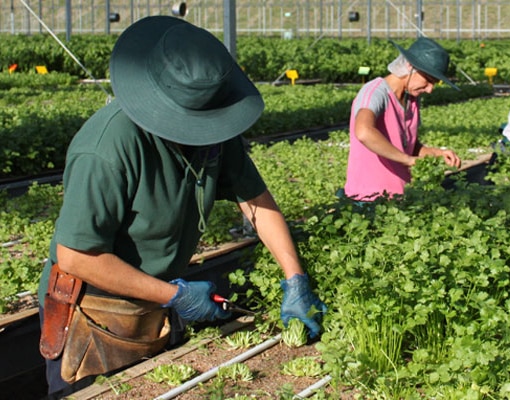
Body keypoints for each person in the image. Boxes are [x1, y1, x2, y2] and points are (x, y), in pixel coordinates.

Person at [37, 16, 326, 398]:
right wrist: (175, 296)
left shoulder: (213, 136)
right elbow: (77, 257)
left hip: (155, 301)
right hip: (94, 313)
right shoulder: (106, 149)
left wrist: (295, 280)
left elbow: (255, 199)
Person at [342, 37, 462, 201]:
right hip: (369, 199)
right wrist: (407, 160)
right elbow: (363, 132)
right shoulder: (375, 92)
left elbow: (407, 146)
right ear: (410, 66)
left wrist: (437, 154)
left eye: (434, 83)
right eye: (428, 81)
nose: (430, 89)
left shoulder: (411, 99)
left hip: (400, 197)